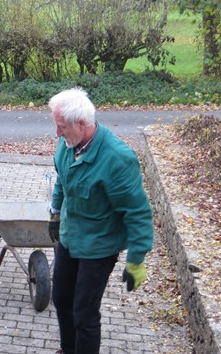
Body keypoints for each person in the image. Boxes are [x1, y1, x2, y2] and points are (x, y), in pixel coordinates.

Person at [47, 88, 154, 354]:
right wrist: (55, 213)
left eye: (61, 127)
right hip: (70, 236)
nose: (57, 133)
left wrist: (137, 258)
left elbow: (137, 212)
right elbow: (63, 178)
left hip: (99, 245)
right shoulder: (68, 144)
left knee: (84, 313)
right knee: (61, 299)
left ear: (81, 124)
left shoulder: (117, 159)